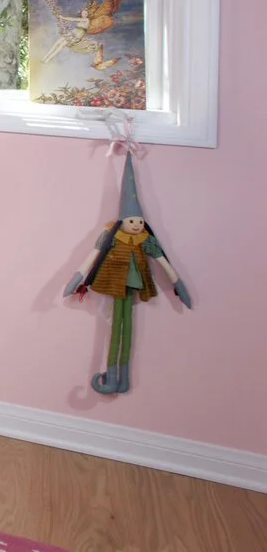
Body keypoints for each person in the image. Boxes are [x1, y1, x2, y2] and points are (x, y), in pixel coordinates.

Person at [65, 153, 192, 394]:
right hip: (114, 284)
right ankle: (113, 375)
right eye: (132, 221)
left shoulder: (145, 241)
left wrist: (179, 285)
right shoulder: (112, 237)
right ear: (122, 220)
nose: (136, 225)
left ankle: (121, 378)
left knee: (126, 328)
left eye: (140, 221)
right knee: (118, 328)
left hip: (132, 286)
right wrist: (76, 279)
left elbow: (163, 261)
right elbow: (93, 255)